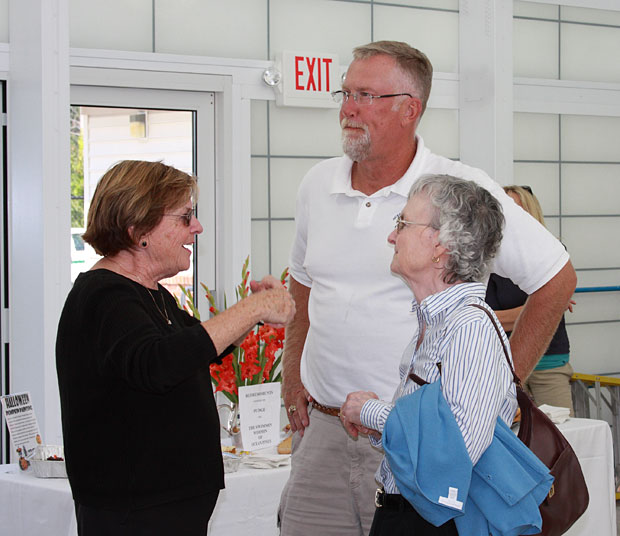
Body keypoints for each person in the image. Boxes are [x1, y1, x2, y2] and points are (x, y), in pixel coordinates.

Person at [278, 40, 576, 536]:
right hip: (325, 434)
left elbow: (555, 278)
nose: (348, 109)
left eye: (366, 96)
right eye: (345, 93)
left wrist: (500, 385)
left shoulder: (458, 188)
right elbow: (303, 288)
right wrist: (292, 375)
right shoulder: (316, 184)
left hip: (419, 451)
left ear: (408, 109)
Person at [56, 160, 295, 536]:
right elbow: (159, 364)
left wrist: (251, 314)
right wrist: (254, 308)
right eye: (185, 218)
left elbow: (199, 347)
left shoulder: (149, 294)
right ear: (139, 230)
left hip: (165, 509)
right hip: (134, 514)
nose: (196, 228)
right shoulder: (105, 296)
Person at [340, 174, 550, 536]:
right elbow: (432, 435)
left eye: (402, 223)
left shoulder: (469, 328)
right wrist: (382, 425)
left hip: (438, 522)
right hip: (412, 513)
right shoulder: (437, 322)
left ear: (441, 246)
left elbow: (457, 447)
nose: (392, 236)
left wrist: (371, 412)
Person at [486, 185, 575, 415]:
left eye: (516, 208)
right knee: (511, 439)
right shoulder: (488, 258)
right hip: (505, 365)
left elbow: (487, 317)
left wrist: (492, 317)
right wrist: (544, 306)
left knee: (561, 437)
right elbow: (485, 316)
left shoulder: (551, 252)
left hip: (549, 365)